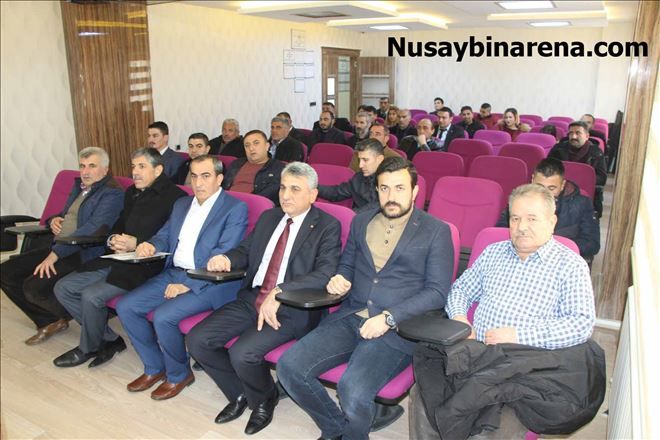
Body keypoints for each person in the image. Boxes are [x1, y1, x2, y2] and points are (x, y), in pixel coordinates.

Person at [277, 157, 455, 440]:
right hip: (352, 315)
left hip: (398, 329)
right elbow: (347, 265)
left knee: (352, 390)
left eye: (399, 188)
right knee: (289, 368)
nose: (391, 196)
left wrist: (389, 318)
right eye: (384, 188)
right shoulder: (361, 221)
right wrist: (340, 278)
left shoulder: (436, 231)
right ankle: (335, 427)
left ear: (414, 191)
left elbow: (437, 292)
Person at [409, 183, 602, 440]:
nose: (521, 227)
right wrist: (460, 319)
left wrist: (518, 335)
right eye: (515, 218)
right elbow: (461, 290)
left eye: (532, 218)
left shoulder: (570, 265)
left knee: (485, 430)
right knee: (424, 396)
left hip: (525, 366)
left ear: (552, 221)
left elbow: (581, 324)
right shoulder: (494, 253)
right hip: (476, 353)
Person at [187, 162, 342, 435]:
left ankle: (263, 400)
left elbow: (325, 272)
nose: (286, 195)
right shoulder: (270, 217)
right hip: (253, 298)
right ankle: (239, 393)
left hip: (292, 308)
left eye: (295, 189)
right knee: (198, 340)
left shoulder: (327, 226)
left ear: (313, 194)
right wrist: (227, 258)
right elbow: (246, 250)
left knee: (242, 353)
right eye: (283, 188)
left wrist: (280, 291)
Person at [116, 155, 248, 401]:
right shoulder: (182, 204)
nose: (198, 182)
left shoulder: (234, 208)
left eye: (206, 176)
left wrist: (187, 284)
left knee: (164, 317)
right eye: (194, 176)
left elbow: (224, 254)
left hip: (209, 281)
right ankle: (155, 367)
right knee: (126, 307)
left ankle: (179, 374)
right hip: (174, 272)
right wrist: (151, 245)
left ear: (219, 179)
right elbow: (164, 235)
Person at [53, 148, 187, 368]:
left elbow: (170, 238)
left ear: (158, 170)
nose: (135, 172)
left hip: (146, 264)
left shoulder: (176, 197)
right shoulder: (132, 192)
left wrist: (137, 243)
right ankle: (108, 339)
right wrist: (113, 239)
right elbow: (118, 225)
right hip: (118, 257)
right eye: (133, 166)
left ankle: (89, 347)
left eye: (142, 166)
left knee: (91, 296)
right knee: (64, 288)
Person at [0, 147, 123, 345]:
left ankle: (79, 316)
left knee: (33, 287)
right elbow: (66, 214)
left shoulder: (112, 194)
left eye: (92, 166)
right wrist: (53, 220)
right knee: (5, 272)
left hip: (84, 251)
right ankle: (49, 320)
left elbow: (92, 230)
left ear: (105, 169)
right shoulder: (81, 187)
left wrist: (54, 255)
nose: (85, 171)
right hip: (61, 246)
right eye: (82, 166)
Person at [496, 158, 600, 261]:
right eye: (539, 187)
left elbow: (592, 243)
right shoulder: (519, 200)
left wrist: (547, 248)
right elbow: (500, 231)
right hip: (520, 256)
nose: (544, 193)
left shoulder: (582, 204)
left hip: (562, 260)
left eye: (551, 188)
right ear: (532, 180)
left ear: (562, 185)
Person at [548, 121, 607, 217]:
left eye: (578, 133)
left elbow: (602, 178)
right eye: (571, 133)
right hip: (560, 193)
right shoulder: (558, 149)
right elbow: (547, 170)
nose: (573, 136)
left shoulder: (596, 152)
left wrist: (579, 179)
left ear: (587, 136)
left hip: (585, 195)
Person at [317, 139, 383, 212]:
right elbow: (336, 192)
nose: (360, 165)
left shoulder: (390, 181)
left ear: (380, 159)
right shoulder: (358, 178)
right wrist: (313, 187)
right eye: (359, 160)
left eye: (365, 160)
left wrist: (350, 215)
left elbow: (377, 206)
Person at [222, 130, 285, 205]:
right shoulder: (236, 164)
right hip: (225, 202)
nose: (251, 148)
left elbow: (269, 196)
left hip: (253, 205)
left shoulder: (279, 168)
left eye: (256, 143)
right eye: (247, 145)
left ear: (267, 146)